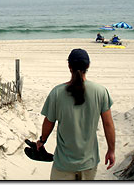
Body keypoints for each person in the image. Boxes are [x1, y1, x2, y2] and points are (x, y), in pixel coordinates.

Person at [36, 48, 115, 180]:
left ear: (69, 66)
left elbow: (49, 122)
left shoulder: (57, 92)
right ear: (88, 65)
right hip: (89, 162)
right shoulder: (100, 91)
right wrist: (111, 150)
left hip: (63, 164)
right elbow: (108, 124)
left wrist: (42, 140)